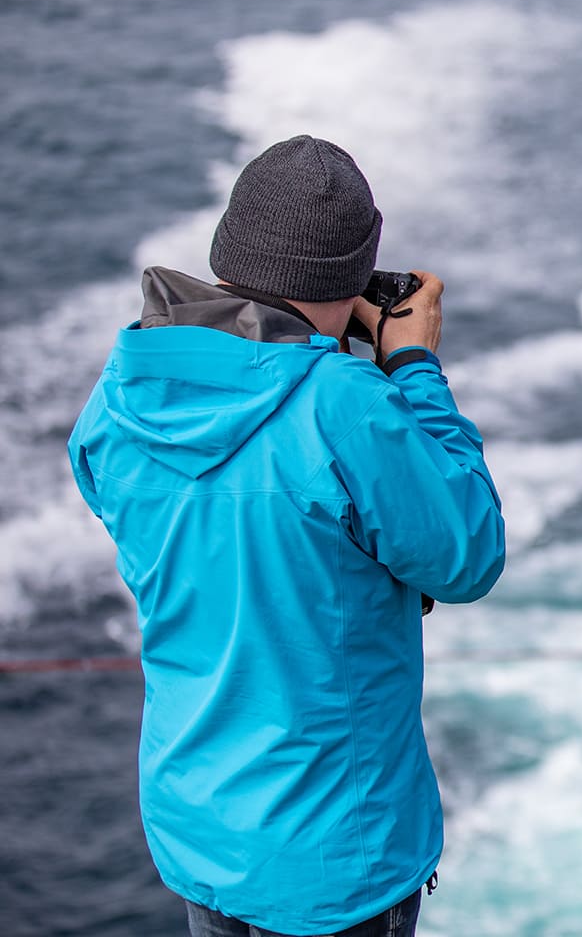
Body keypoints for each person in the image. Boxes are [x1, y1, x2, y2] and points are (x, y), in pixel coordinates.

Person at [67, 136, 508, 937]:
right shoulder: (345, 404)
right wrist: (412, 368)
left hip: (200, 827)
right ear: (353, 276)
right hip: (333, 854)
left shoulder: (126, 387)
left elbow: (153, 504)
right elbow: (469, 555)